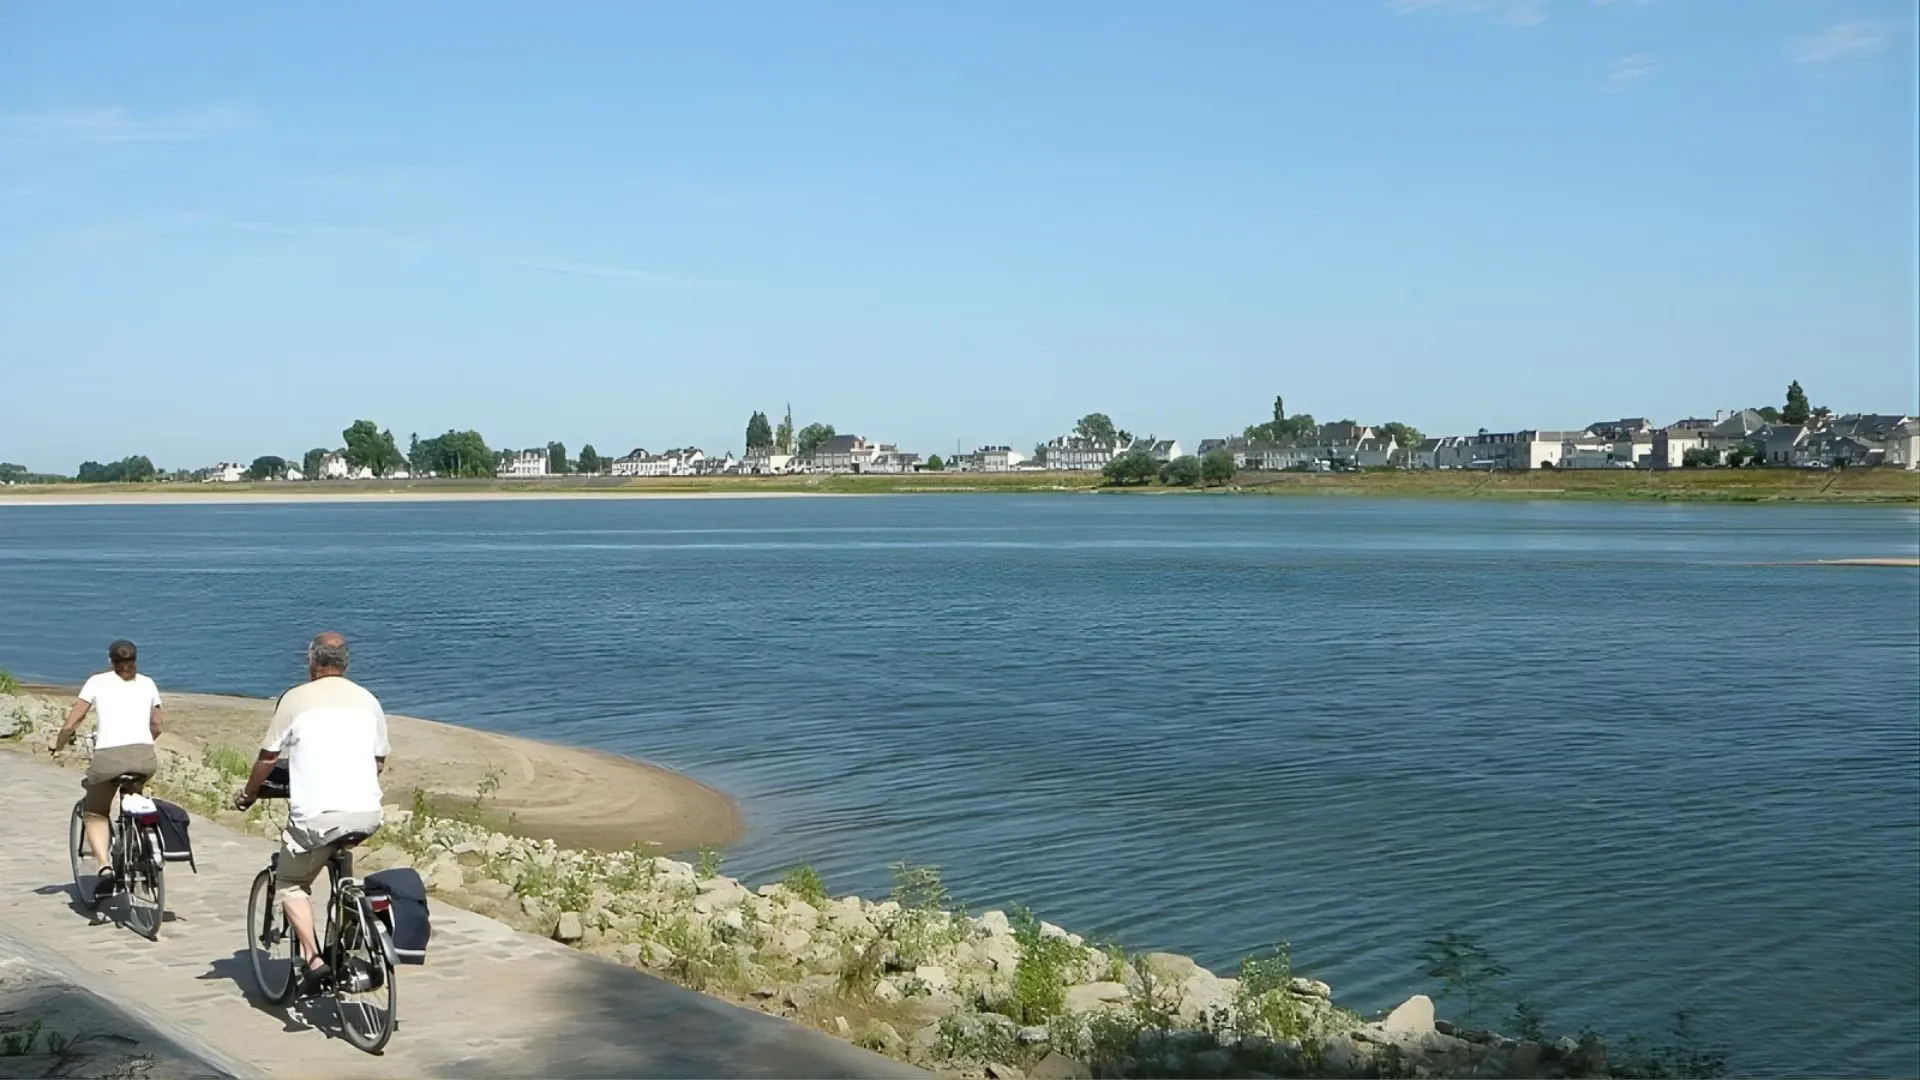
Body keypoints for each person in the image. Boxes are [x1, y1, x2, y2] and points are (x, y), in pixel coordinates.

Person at [233, 632, 388, 988]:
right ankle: (348, 927)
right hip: (366, 813)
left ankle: (314, 958)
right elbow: (378, 760)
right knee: (340, 857)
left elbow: (269, 756)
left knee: (291, 881)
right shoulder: (368, 700)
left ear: (311, 661)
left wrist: (250, 793)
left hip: (317, 816)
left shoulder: (295, 699)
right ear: (345, 663)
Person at [52, 640, 163, 903]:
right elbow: (158, 724)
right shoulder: (148, 683)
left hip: (108, 757)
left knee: (95, 812)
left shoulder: (97, 681)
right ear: (136, 659)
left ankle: (104, 868)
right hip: (145, 756)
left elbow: (75, 718)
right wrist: (143, 744)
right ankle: (140, 847)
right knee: (132, 801)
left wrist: (58, 743)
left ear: (110, 660)